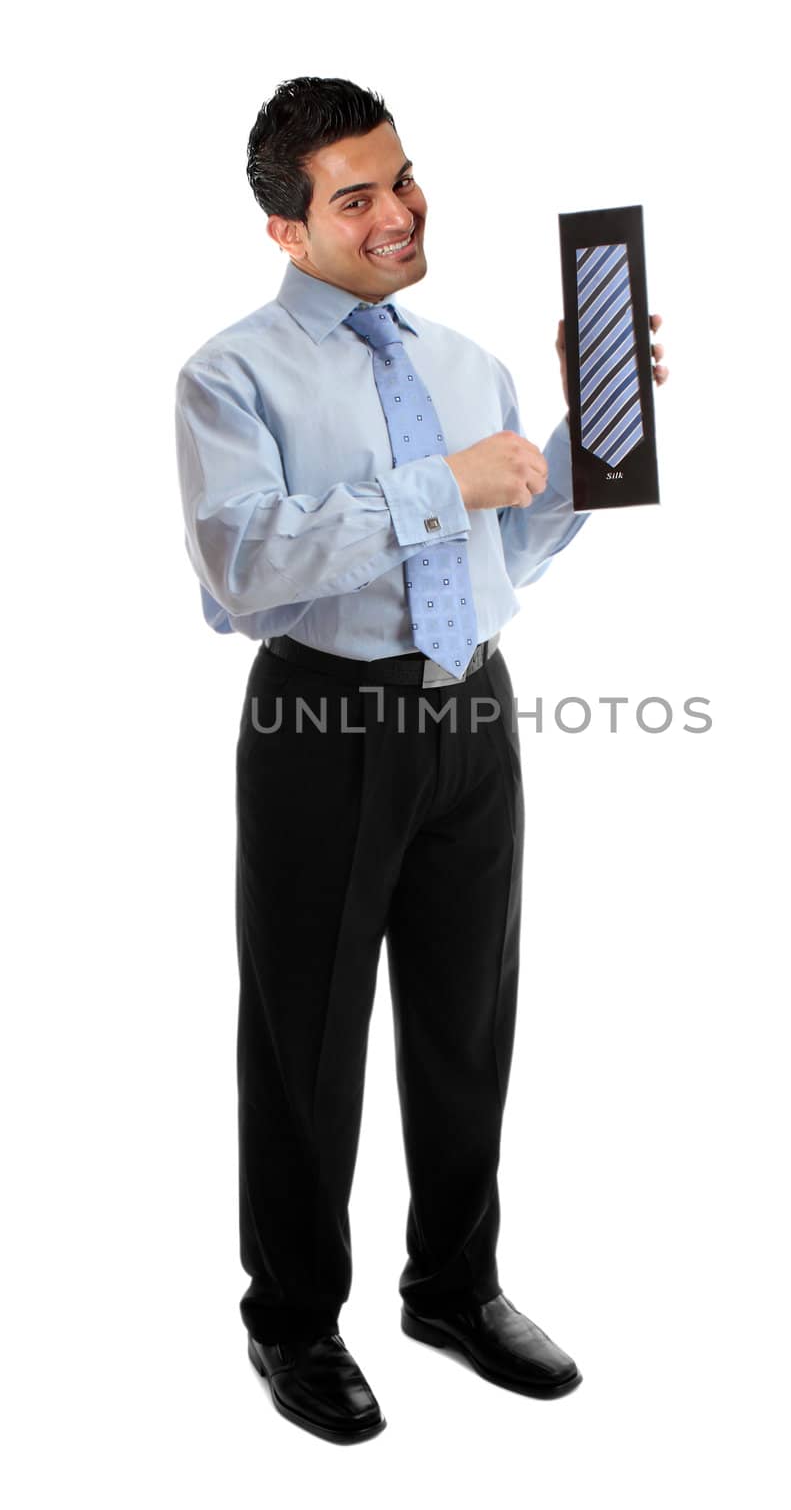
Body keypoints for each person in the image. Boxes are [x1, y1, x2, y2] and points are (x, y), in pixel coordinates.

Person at [174, 75, 669, 1446]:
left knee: (467, 1019)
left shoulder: (463, 359)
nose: (398, 213)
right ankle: (292, 1322)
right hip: (319, 725)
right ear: (287, 230)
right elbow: (245, 570)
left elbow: (499, 555)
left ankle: (453, 1284)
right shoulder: (229, 374)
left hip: (471, 714)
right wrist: (443, 482)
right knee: (306, 1042)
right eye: (356, 198)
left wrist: (587, 442)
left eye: (403, 178)